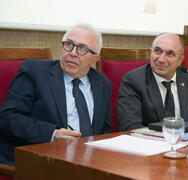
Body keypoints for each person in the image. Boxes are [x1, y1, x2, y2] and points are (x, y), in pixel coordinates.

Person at [0, 24, 112, 165]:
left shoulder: (102, 83)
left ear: (95, 58)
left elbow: (104, 130)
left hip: (88, 163)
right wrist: (52, 135)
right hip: (42, 160)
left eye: (82, 49)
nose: (72, 53)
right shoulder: (35, 72)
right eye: (69, 45)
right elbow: (8, 118)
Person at [118, 33, 188, 131]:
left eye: (170, 54)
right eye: (157, 51)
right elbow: (130, 126)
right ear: (151, 53)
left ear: (180, 60)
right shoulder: (134, 80)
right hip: (149, 143)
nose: (161, 59)